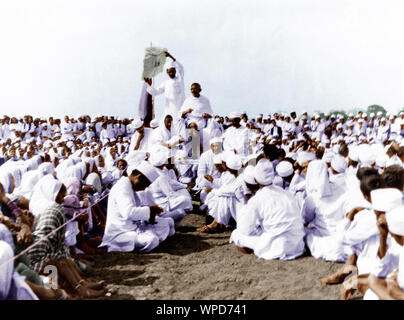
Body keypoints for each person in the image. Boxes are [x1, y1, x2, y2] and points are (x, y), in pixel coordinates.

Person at [230, 159, 305, 260]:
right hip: (298, 245)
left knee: (237, 234)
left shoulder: (257, 199)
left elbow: (245, 230)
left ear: (256, 180)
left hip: (278, 246)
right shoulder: (286, 192)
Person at [100, 161, 174, 253]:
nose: (144, 188)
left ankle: (147, 236)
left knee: (168, 222)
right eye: (145, 185)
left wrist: (150, 215)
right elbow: (129, 213)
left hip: (134, 227)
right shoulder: (122, 187)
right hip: (121, 233)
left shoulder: (129, 186)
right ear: (138, 177)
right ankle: (143, 241)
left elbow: (138, 211)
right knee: (152, 240)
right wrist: (150, 211)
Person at [144, 51, 185, 120]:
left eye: (172, 71)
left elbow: (181, 68)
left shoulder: (180, 78)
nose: (171, 73)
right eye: (169, 72)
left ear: (175, 71)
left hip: (180, 107)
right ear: (167, 72)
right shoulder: (166, 83)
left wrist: (170, 56)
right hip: (169, 109)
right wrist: (147, 84)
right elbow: (156, 92)